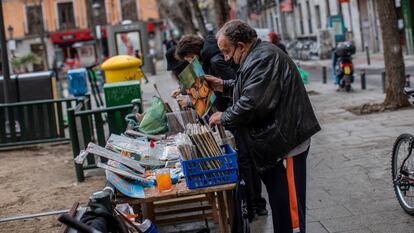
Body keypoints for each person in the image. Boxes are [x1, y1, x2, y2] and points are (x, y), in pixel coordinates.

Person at [207, 20, 321, 233]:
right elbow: (249, 87)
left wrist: (224, 116)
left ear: (241, 46)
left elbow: (253, 102)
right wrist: (222, 85)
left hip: (287, 142)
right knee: (281, 205)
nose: (225, 58)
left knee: (290, 210)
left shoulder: (263, 57)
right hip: (277, 143)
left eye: (227, 51)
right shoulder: (256, 55)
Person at [176, 33, 269, 219]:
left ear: (194, 52)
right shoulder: (209, 58)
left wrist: (224, 113)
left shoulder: (215, 60)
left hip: (234, 115)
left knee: (244, 159)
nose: (189, 62)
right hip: (231, 115)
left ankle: (253, 205)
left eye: (188, 58)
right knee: (244, 159)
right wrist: (188, 92)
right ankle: (254, 204)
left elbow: (236, 87)